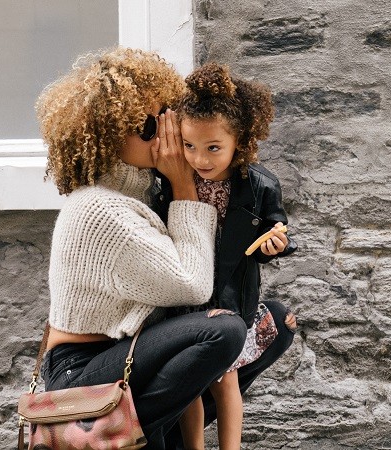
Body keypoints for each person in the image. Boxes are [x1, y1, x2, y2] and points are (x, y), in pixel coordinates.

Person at [36, 47, 248, 450]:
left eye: (168, 115)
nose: (166, 132)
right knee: (223, 330)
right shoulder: (100, 209)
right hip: (80, 371)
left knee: (271, 321)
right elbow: (192, 284)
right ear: (108, 134)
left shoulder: (143, 193)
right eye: (148, 126)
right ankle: (110, 433)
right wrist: (186, 187)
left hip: (126, 355)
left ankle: (151, 436)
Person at [155, 63, 299, 449]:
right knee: (192, 380)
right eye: (190, 146)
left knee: (226, 378)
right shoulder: (173, 182)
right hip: (186, 295)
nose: (200, 158)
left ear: (241, 141)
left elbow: (277, 229)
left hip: (232, 297)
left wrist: (276, 244)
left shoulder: (259, 185)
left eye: (213, 147)